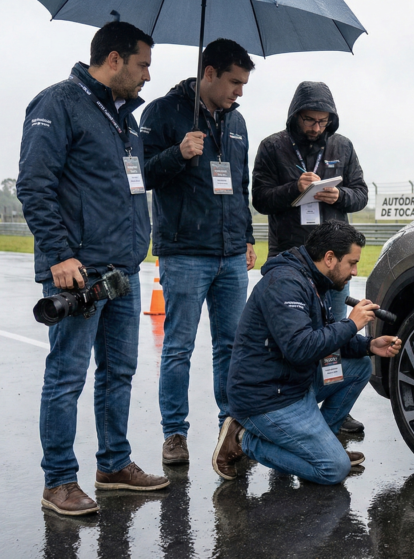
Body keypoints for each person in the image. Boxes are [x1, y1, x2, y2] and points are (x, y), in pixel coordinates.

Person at [16, 21, 168, 517]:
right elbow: (34, 184)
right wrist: (59, 254)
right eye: (143, 64)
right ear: (115, 59)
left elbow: (129, 187)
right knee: (66, 376)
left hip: (123, 267)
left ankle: (114, 465)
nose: (149, 75)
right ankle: (58, 480)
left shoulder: (125, 119)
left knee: (119, 372)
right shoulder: (57, 103)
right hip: (78, 270)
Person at [139, 38, 257, 465]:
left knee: (232, 346)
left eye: (243, 85)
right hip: (184, 251)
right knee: (178, 348)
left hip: (230, 253)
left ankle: (232, 426)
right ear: (209, 73)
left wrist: (247, 237)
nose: (239, 92)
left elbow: (238, 184)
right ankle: (175, 433)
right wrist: (178, 152)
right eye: (234, 82)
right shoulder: (161, 112)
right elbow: (137, 175)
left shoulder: (238, 122)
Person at [213, 221, 402, 484]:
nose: (355, 271)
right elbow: (300, 348)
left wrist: (368, 345)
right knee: (333, 469)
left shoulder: (314, 279)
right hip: (266, 397)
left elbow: (322, 336)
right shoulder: (285, 283)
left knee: (359, 365)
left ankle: (321, 444)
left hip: (292, 383)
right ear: (329, 258)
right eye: (352, 263)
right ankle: (243, 439)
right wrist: (351, 324)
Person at [251, 81, 371, 434]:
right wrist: (295, 189)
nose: (316, 127)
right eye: (309, 120)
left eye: (322, 121)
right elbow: (259, 198)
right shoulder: (273, 146)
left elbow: (361, 193)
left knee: (335, 337)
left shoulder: (343, 145)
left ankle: (335, 402)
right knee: (292, 340)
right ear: (295, 116)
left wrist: (340, 196)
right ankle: (288, 405)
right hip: (291, 259)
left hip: (333, 264)